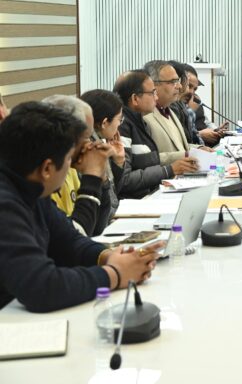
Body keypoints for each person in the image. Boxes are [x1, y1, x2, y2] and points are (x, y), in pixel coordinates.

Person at [0, 102, 162, 312]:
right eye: (69, 158)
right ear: (47, 168)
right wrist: (115, 274)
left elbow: (68, 240)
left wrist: (108, 256)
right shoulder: (6, 203)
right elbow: (41, 287)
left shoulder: (31, 187)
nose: (73, 165)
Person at [115, 70, 199, 199]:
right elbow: (125, 180)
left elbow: (147, 162)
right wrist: (169, 170)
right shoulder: (121, 126)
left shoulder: (139, 121)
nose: (156, 98)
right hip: (136, 203)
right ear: (135, 99)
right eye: (152, 93)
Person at [43, 95, 114, 236]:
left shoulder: (72, 169)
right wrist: (92, 175)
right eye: (86, 137)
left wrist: (101, 178)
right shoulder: (45, 175)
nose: (90, 144)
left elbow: (97, 227)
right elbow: (73, 235)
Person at [142, 60, 210, 166]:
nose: (179, 86)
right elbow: (145, 159)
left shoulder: (169, 111)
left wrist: (199, 149)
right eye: (173, 82)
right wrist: (186, 155)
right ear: (153, 84)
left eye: (178, 81)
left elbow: (180, 147)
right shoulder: (144, 115)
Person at [79, 89, 126, 222]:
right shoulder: (92, 149)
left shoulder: (100, 142)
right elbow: (109, 203)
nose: (119, 124)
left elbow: (112, 193)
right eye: (119, 119)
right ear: (104, 123)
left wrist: (118, 161)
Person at [168, 60, 203, 146]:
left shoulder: (192, 103)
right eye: (188, 85)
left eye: (195, 89)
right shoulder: (171, 105)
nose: (191, 92)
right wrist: (190, 111)